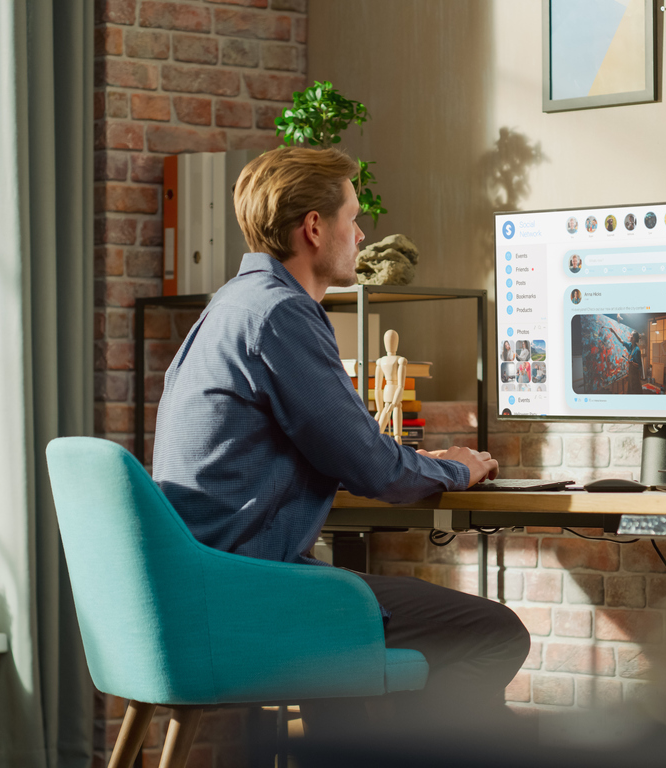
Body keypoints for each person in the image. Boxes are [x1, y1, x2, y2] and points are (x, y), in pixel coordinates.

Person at [153, 146, 526, 735]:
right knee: (494, 632)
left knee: (349, 647)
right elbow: (374, 472)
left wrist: (403, 459)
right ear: (314, 228)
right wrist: (455, 467)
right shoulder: (280, 315)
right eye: (353, 218)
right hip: (249, 596)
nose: (360, 235)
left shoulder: (229, 304)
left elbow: (339, 449)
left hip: (201, 590)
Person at [607, 325, 644, 395]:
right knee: (630, 388)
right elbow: (621, 340)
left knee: (636, 389)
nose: (630, 337)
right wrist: (614, 332)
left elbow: (639, 365)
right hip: (631, 371)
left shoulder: (637, 350)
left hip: (635, 373)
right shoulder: (629, 345)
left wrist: (632, 363)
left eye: (631, 336)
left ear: (634, 338)